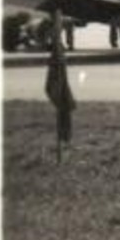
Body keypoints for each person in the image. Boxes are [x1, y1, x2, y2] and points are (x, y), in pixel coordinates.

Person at [45, 11, 76, 162]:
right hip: (58, 59)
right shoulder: (56, 52)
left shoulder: (58, 48)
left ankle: (63, 141)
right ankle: (63, 139)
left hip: (58, 55)